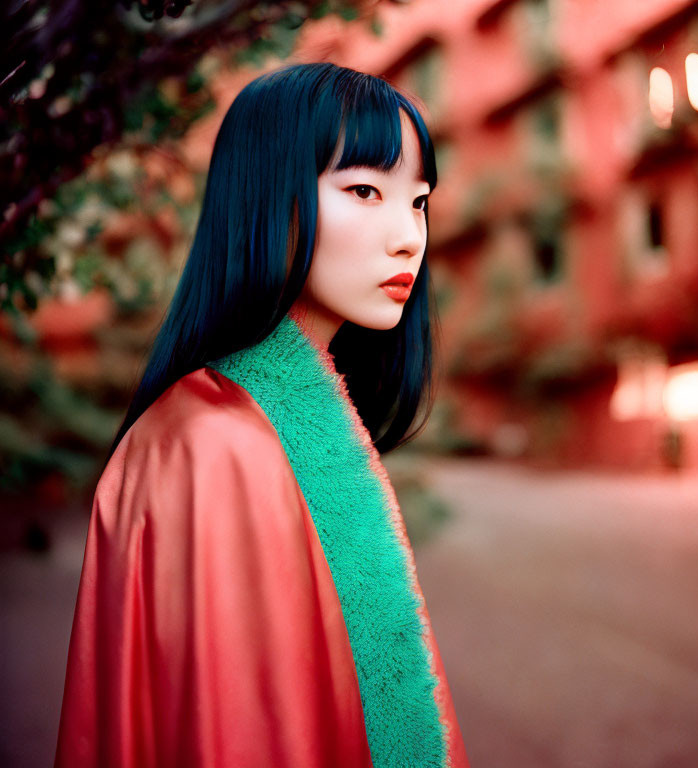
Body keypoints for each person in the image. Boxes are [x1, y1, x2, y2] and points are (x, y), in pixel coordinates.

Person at [54, 61, 470, 768]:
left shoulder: (277, 423)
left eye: (419, 201)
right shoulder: (214, 441)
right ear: (266, 197)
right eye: (365, 190)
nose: (409, 237)